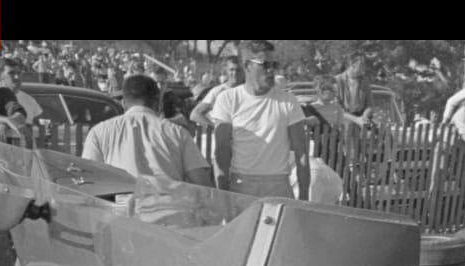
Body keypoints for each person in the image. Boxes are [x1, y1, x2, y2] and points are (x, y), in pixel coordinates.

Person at [211, 40, 309, 200]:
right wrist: (223, 195)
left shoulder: (289, 100)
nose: (271, 70)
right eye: (265, 64)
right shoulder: (227, 99)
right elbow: (221, 151)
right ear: (247, 65)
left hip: (279, 187)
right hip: (240, 186)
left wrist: (304, 197)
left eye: (274, 64)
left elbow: (301, 152)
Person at [81, 75, 212, 187]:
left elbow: (89, 178)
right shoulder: (177, 133)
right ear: (157, 102)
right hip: (168, 210)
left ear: (123, 102)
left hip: (119, 211)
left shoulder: (99, 132)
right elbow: (202, 182)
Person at [191, 55, 243, 128]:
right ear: (226, 70)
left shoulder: (249, 91)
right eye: (232, 70)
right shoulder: (218, 91)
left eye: (238, 70)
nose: (235, 73)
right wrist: (216, 128)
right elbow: (195, 115)